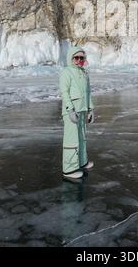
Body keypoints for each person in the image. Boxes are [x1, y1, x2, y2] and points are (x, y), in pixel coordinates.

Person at [59, 45, 95, 181]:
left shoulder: (84, 73)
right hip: (72, 111)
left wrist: (91, 109)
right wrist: (70, 110)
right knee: (71, 139)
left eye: (82, 58)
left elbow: (88, 93)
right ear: (71, 58)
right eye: (77, 58)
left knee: (82, 138)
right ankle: (68, 169)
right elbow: (64, 92)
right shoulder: (66, 72)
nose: (79, 60)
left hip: (83, 109)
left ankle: (82, 162)